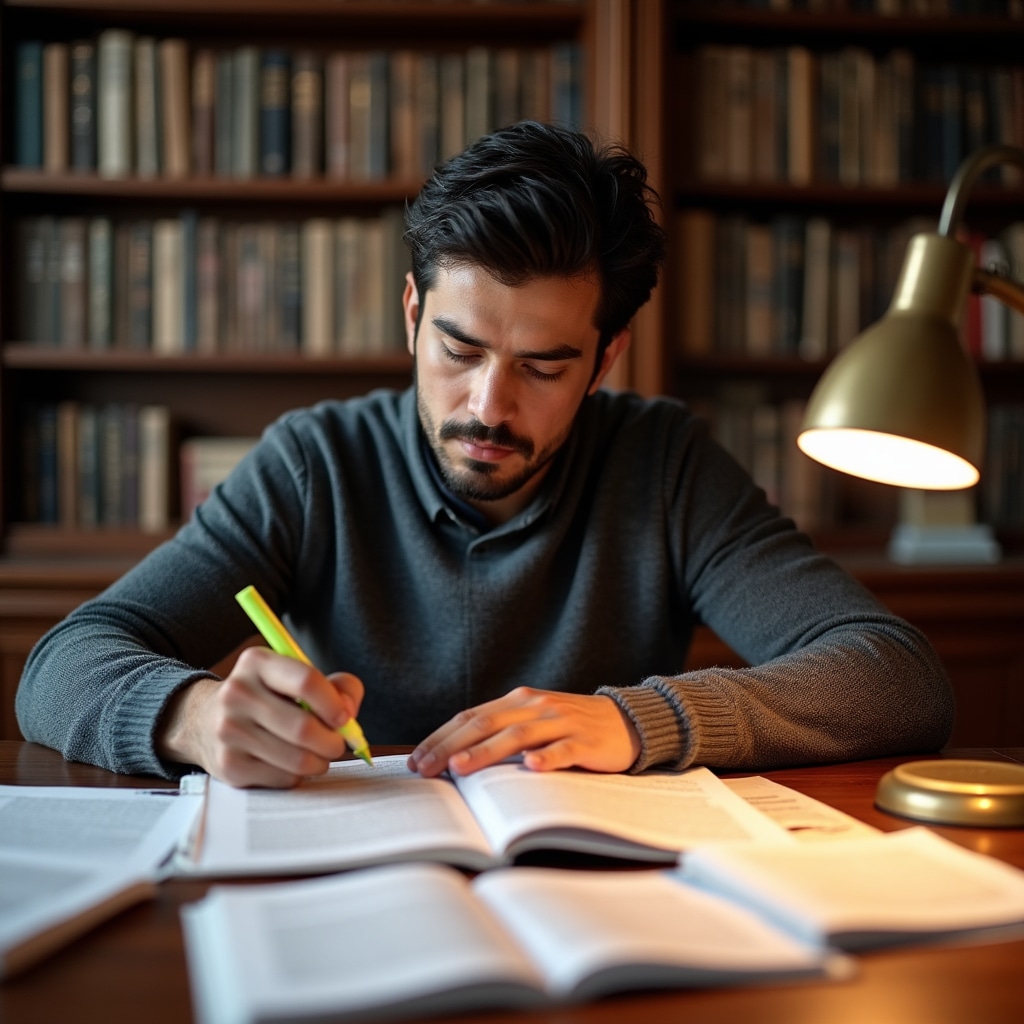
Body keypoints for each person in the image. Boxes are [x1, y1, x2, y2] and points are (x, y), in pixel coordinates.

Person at [16, 121, 953, 788]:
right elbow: (62, 664)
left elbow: (893, 674)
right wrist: (190, 716)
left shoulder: (663, 466)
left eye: (545, 366)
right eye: (460, 351)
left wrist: (637, 720)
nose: (488, 407)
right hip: (357, 878)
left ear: (606, 356)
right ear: (413, 314)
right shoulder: (316, 463)